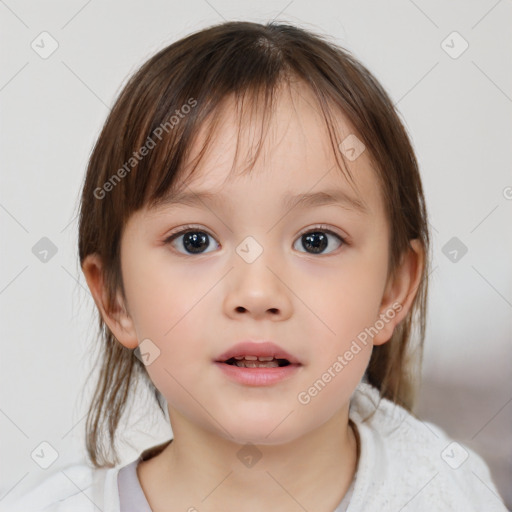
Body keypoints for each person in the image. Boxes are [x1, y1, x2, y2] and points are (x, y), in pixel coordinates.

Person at [10, 20, 509, 512]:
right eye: (195, 241)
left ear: (392, 290)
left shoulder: (447, 495)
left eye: (316, 241)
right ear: (115, 298)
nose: (257, 293)